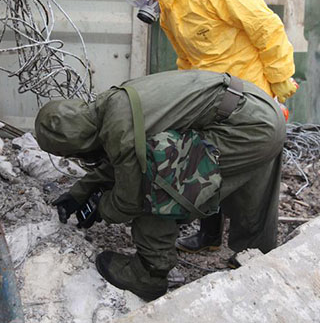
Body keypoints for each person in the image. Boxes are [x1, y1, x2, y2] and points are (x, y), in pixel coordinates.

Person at [35, 70, 285, 301]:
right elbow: (127, 156)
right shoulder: (112, 103)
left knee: (155, 183)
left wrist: (101, 208)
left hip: (248, 130)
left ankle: (148, 274)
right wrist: (79, 193)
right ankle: (258, 260)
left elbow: (129, 198)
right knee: (245, 191)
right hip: (258, 108)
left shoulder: (119, 130)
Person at [121, 0, 297, 252]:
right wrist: (187, 99)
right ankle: (209, 237)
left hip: (252, 96)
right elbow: (188, 60)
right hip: (214, 97)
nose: (143, 2)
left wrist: (280, 79)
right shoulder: (170, 13)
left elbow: (265, 26)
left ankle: (251, 252)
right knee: (207, 163)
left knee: (255, 181)